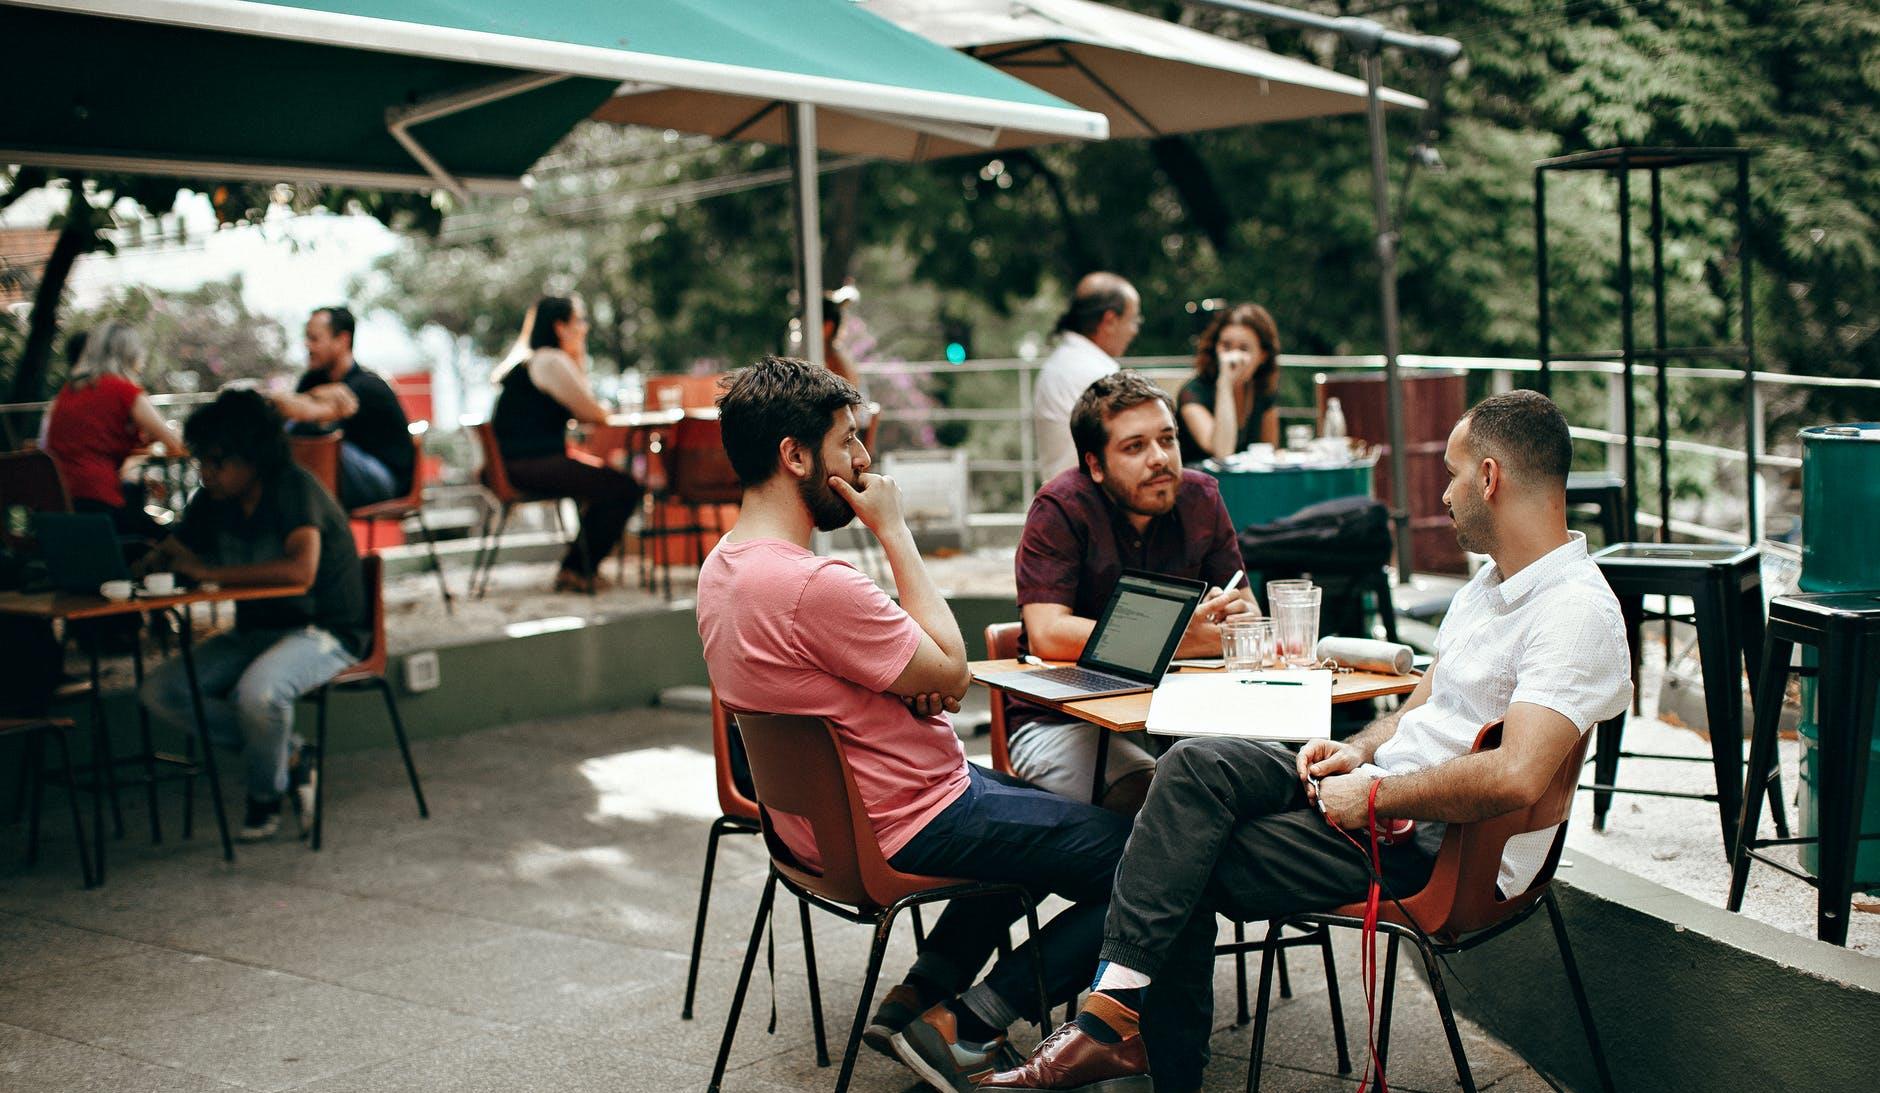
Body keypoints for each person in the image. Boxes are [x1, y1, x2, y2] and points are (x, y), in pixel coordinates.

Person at [985, 390, 1633, 1093]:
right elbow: (1425, 706)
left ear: (1489, 477)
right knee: (1195, 763)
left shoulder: (1574, 611)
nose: (1443, 495)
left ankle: (1118, 1042)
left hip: (1435, 846)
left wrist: (1375, 795)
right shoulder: (1489, 585)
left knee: (1181, 849)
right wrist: (1362, 750)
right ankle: (1112, 1025)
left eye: (1450, 475)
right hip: (1379, 797)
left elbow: (1515, 775)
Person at [697, 356, 1129, 1093]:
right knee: (1141, 860)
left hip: (823, 829)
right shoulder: (812, 584)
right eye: (847, 441)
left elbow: (852, 682)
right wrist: (895, 531)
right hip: (906, 817)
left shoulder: (723, 570)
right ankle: (969, 1024)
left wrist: (907, 687)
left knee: (1045, 815)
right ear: (794, 455)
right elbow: (953, 672)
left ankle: (917, 994)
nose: (864, 461)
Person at [1011, 371, 1257, 813]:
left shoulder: (1201, 497)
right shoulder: (1060, 508)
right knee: (1168, 809)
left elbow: (1246, 619)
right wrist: (1179, 638)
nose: (1159, 458)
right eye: (1135, 447)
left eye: (1167, 439)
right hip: (1065, 721)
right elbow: (1048, 633)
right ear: (1095, 465)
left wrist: (1225, 626)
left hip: (1180, 713)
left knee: (1271, 784)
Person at [138, 389, 368, 841]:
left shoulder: (294, 489)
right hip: (255, 632)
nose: (206, 473)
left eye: (217, 462)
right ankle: (292, 755)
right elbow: (175, 550)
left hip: (324, 630)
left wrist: (210, 573)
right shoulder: (213, 500)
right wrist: (148, 562)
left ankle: (265, 797)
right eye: (201, 461)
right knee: (161, 692)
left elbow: (301, 570)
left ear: (253, 457)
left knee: (259, 696)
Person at [488, 295, 644, 594]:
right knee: (623, 488)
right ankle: (576, 570)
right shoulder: (550, 360)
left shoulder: (530, 360)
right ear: (560, 327)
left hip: (515, 463)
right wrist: (580, 360)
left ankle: (578, 566)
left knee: (605, 483)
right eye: (579, 321)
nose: (584, 327)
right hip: (530, 464)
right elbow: (591, 413)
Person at [40, 322, 187, 539]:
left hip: (59, 502)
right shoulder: (123, 390)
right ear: (132, 354)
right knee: (170, 540)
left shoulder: (68, 392)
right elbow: (174, 443)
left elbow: (92, 440)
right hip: (98, 502)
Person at [274, 305, 413, 508]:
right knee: (288, 438)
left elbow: (309, 413)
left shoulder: (368, 386)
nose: (307, 345)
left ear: (342, 340)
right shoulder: (311, 381)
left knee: (318, 441)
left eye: (314, 339)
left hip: (386, 480)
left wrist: (298, 406)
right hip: (342, 477)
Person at [1032, 273, 1141, 482]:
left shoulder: (1060, 362)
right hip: (1087, 494)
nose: (1134, 330)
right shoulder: (1098, 373)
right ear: (1110, 320)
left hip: (1059, 490)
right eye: (1133, 320)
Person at [1176, 303, 1282, 464]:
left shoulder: (1263, 391)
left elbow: (1269, 452)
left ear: (1262, 356)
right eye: (1226, 346)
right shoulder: (1192, 392)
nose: (1233, 357)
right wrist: (1225, 383)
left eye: (1244, 349)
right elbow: (1221, 451)